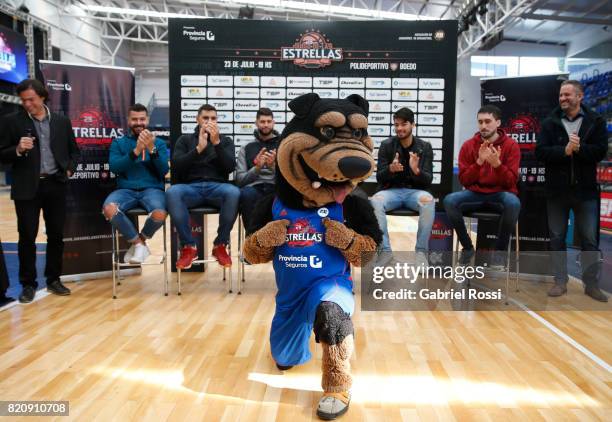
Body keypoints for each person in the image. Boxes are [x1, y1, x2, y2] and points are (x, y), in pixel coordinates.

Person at [0, 79, 80, 303]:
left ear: (42, 97)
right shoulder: (11, 122)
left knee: (56, 235)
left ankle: (53, 279)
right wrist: (17, 149)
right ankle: (28, 284)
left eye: (31, 99)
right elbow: (1, 154)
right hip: (27, 187)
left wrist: (70, 170)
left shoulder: (62, 121)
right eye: (24, 100)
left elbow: (75, 151)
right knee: (27, 236)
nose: (27, 104)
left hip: (56, 184)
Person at [535, 80, 608, 302]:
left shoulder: (595, 120)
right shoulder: (550, 122)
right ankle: (560, 281)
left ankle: (591, 284)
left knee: (589, 240)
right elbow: (541, 152)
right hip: (557, 191)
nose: (563, 99)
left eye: (567, 95)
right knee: (556, 238)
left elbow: (600, 152)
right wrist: (564, 151)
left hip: (585, 191)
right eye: (560, 95)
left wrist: (580, 149)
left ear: (580, 96)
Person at [443, 105, 521, 268]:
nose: (483, 126)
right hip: (475, 193)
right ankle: (468, 247)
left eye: (488, 121)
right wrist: (479, 162)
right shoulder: (468, 145)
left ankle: (499, 253)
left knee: (513, 203)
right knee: (450, 200)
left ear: (498, 122)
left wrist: (497, 165)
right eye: (480, 122)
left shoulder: (511, 146)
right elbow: (464, 180)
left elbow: (511, 182)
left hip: (501, 194)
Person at [166, 104, 239, 269]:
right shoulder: (185, 140)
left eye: (213, 118)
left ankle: (220, 245)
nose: (209, 121)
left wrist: (217, 144)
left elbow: (229, 167)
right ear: (197, 119)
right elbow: (177, 166)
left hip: (217, 188)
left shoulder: (225, 141)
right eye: (205, 118)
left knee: (233, 192)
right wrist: (198, 148)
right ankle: (189, 247)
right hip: (191, 188)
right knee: (172, 193)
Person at [102, 104, 169, 264]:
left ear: (147, 120)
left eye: (142, 119)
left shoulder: (158, 143)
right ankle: (139, 244)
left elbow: (163, 170)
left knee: (160, 213)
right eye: (134, 119)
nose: (138, 122)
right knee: (109, 209)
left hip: (152, 189)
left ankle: (140, 242)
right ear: (128, 120)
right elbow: (115, 167)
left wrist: (151, 148)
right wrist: (136, 151)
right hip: (125, 190)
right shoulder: (119, 143)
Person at [371, 107, 435, 264]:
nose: (399, 128)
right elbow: (379, 177)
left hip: (415, 192)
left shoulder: (424, 146)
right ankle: (385, 251)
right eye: (396, 124)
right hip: (391, 192)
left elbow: (428, 180)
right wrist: (390, 170)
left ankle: (421, 253)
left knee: (428, 200)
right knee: (376, 200)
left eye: (403, 124)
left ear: (413, 125)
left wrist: (416, 170)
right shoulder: (387, 145)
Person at [236, 107, 280, 232]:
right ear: (256, 123)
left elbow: (289, 178)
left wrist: (273, 167)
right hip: (253, 188)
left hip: (275, 187)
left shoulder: (282, 146)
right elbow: (240, 180)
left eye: (268, 121)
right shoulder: (246, 147)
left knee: (285, 196)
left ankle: (277, 242)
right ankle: (251, 240)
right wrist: (257, 168)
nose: (265, 125)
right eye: (262, 121)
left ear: (273, 122)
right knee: (246, 194)